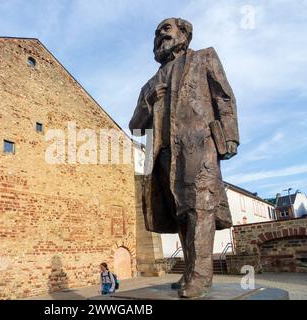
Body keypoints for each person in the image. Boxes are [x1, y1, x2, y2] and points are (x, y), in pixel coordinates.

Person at [129, 18, 239, 298]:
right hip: (164, 155)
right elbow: (136, 127)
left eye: (165, 29)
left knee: (200, 207)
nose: (159, 36)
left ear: (184, 33)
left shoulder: (204, 58)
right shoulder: (149, 85)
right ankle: (190, 270)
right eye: (156, 34)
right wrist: (149, 100)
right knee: (180, 213)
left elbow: (224, 97)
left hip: (199, 145)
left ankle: (200, 275)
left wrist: (230, 137)